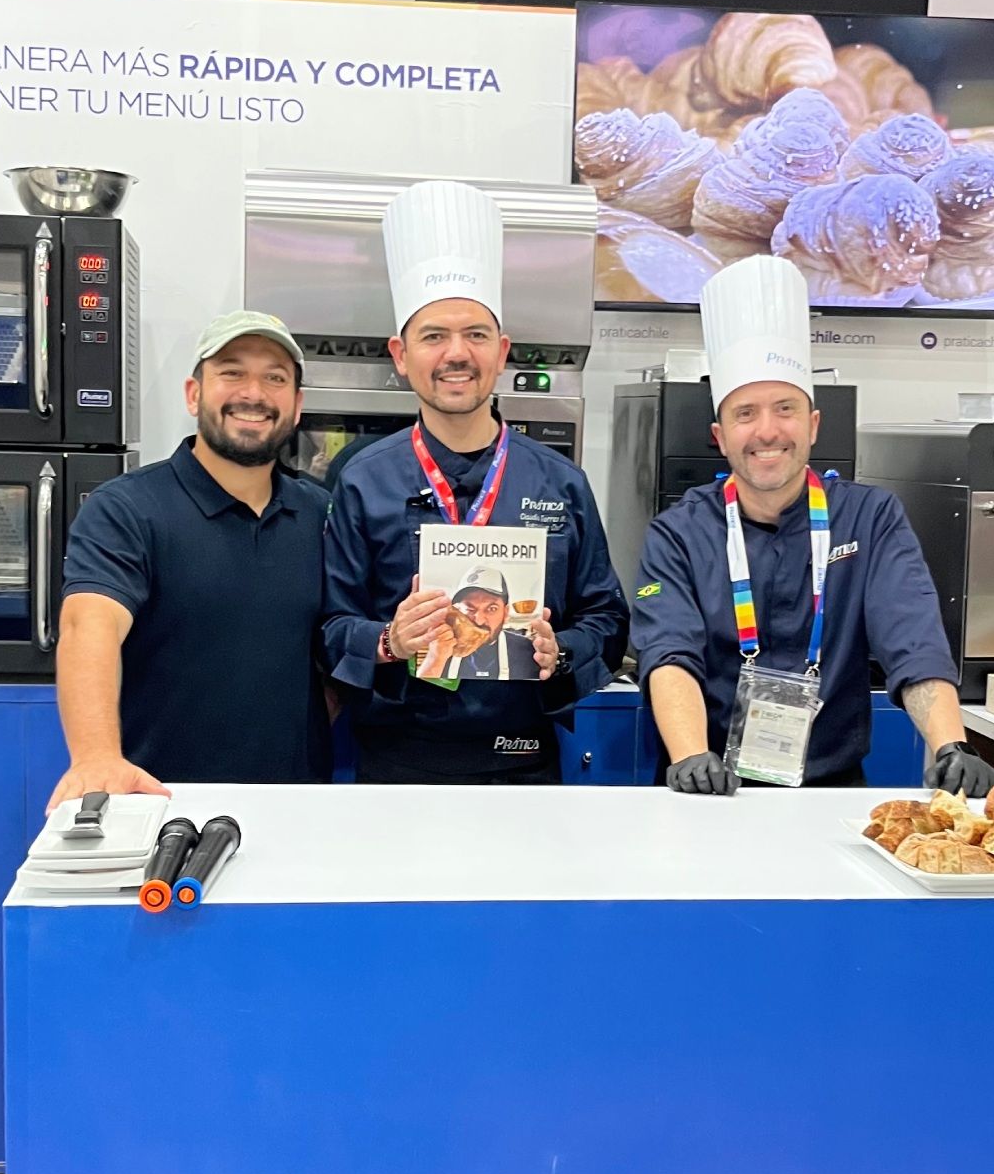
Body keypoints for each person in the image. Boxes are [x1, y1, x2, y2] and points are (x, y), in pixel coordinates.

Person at [631, 254, 994, 798]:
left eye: (785, 408)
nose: (767, 431)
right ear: (721, 434)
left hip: (832, 791)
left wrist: (952, 745)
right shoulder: (679, 533)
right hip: (709, 789)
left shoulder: (870, 518)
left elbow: (912, 640)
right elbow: (668, 654)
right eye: (745, 413)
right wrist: (690, 756)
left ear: (813, 424)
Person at [321, 178, 628, 784]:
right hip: (395, 763)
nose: (456, 353)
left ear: (502, 350)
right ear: (400, 354)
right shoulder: (362, 480)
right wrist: (388, 639)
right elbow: (329, 626)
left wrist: (559, 651)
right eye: (434, 336)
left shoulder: (562, 483)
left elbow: (607, 616)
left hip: (524, 759)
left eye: (476, 335)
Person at [47, 311, 331, 810]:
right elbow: (88, 625)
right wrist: (94, 757)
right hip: (157, 800)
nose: (254, 393)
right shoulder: (127, 508)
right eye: (232, 372)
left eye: (275, 378)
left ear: (297, 404)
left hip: (296, 804)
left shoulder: (319, 512)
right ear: (194, 393)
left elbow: (334, 643)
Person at [417, 564, 540, 683]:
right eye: (470, 609)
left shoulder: (527, 651)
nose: (479, 620)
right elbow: (422, 696)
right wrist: (435, 658)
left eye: (491, 609)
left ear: (506, 613)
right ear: (458, 611)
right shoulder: (442, 645)